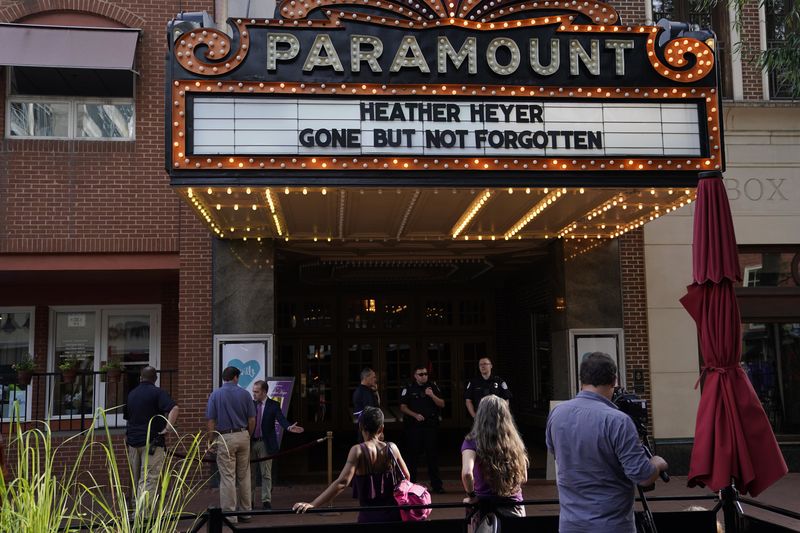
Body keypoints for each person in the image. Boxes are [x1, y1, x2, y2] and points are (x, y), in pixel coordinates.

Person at [545, 352, 669, 533]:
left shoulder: (557, 414)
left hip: (570, 524)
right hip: (612, 525)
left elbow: (554, 451)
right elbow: (643, 477)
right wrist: (657, 463)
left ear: (581, 380)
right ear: (614, 381)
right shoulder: (618, 420)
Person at [293, 406, 409, 523]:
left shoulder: (357, 450)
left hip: (368, 516)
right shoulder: (392, 447)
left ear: (360, 426)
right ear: (381, 428)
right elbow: (406, 476)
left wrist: (313, 504)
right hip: (393, 514)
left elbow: (342, 482)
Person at [461, 395, 528, 532]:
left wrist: (471, 496)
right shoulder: (515, 442)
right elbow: (524, 477)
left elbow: (467, 473)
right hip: (513, 504)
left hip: (484, 506)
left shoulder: (471, 441)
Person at [206, 366, 256, 524]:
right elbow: (252, 419)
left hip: (225, 436)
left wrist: (211, 439)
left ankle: (230, 516)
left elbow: (211, 420)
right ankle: (246, 513)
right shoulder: (245, 394)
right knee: (244, 476)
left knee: (227, 477)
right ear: (235, 377)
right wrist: (248, 434)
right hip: (243, 434)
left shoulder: (216, 394)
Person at [123, 365, 179, 500]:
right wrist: (167, 428)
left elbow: (128, 418)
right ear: (155, 379)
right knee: (148, 479)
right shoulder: (158, 393)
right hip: (152, 443)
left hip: (133, 442)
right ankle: (144, 516)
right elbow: (174, 408)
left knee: (135, 479)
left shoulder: (132, 394)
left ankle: (134, 515)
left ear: (140, 378)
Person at [250, 379, 304, 510]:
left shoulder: (273, 405)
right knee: (249, 474)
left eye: (256, 392)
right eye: (253, 391)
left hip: (265, 443)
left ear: (263, 392)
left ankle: (266, 501)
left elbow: (281, 419)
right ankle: (249, 501)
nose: (254, 394)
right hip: (250, 442)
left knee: (265, 473)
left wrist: (289, 427)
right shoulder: (250, 404)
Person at [399, 364, 445, 493]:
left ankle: (437, 485)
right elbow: (402, 407)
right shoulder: (408, 388)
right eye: (421, 374)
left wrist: (431, 395)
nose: (424, 376)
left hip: (430, 427)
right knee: (412, 458)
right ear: (415, 376)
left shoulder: (433, 386)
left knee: (432, 457)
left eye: (425, 374)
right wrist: (415, 415)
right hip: (414, 428)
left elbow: (442, 403)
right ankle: (410, 485)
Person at [352, 367, 379, 441]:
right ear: (366, 378)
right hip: (367, 431)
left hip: (368, 430)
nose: (375, 379)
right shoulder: (363, 392)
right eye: (373, 377)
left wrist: (375, 391)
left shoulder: (367, 390)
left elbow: (377, 406)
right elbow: (370, 413)